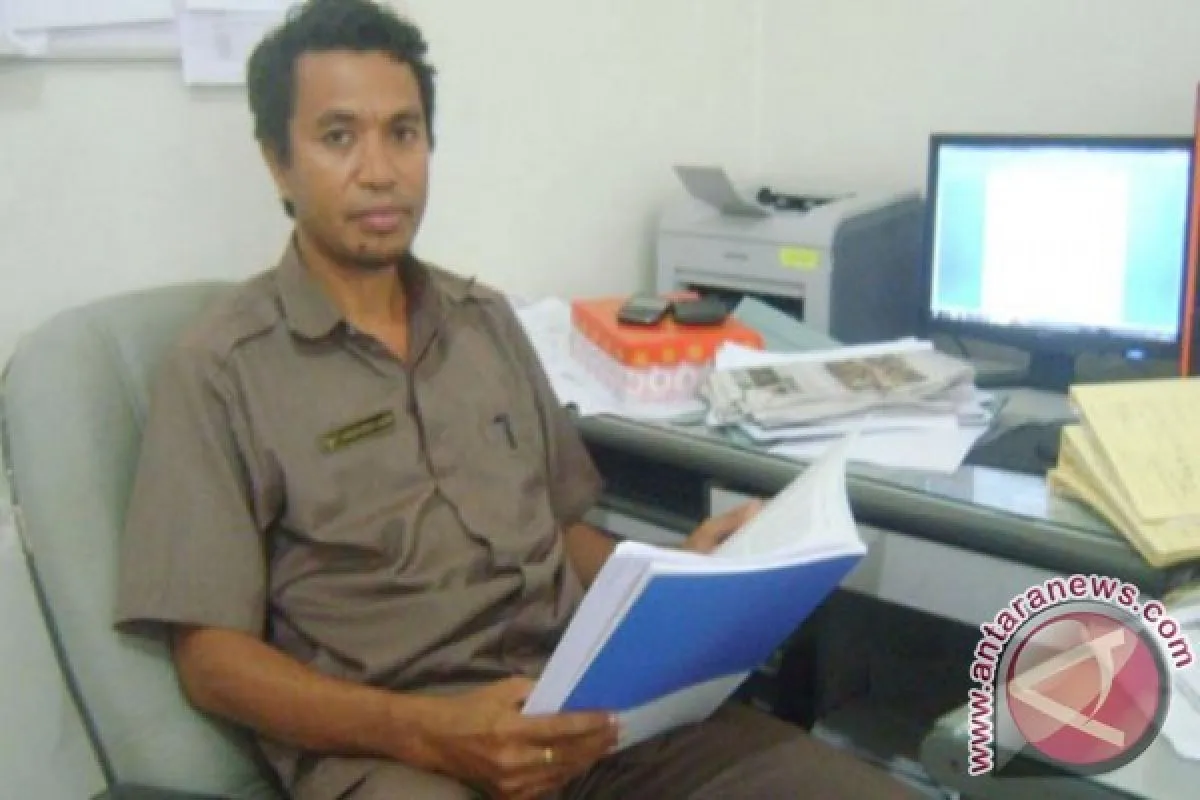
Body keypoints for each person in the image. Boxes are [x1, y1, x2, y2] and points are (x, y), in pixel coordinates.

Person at [116, 1, 920, 798]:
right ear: (277, 161)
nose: (380, 169)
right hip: (397, 749)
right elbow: (211, 660)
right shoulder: (222, 370)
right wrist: (429, 731)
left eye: (403, 133)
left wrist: (677, 577)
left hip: (584, 712)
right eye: (338, 137)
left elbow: (563, 534)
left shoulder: (484, 322)